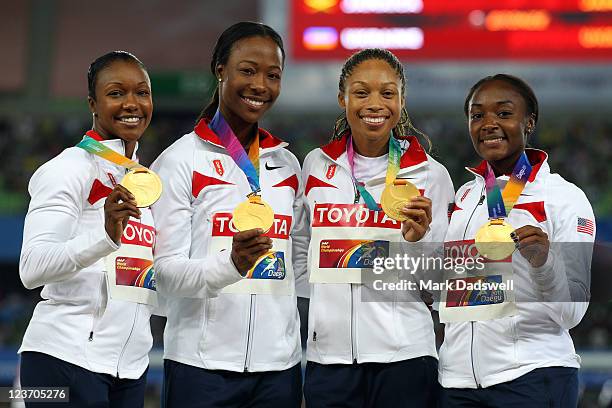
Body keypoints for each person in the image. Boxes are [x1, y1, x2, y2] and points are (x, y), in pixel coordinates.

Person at [150, 22, 307, 408]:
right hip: (200, 368)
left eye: (273, 75)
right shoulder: (179, 161)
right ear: (220, 70)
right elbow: (164, 273)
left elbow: (300, 264)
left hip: (279, 370)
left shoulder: (288, 166)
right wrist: (231, 266)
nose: (260, 85)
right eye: (248, 70)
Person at [301, 48, 455, 407]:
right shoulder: (314, 166)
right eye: (361, 92)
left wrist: (418, 244)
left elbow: (444, 283)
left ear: (401, 101)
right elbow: (300, 253)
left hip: (406, 357)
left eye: (387, 93)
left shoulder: (431, 174)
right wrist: (317, 325)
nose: (375, 103)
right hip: (330, 360)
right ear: (342, 98)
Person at [438, 74, 595, 407]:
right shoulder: (465, 196)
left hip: (531, 377)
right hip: (457, 383)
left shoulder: (564, 198)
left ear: (529, 122)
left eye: (504, 113)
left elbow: (573, 313)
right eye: (477, 115)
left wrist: (544, 262)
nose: (489, 123)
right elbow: (449, 288)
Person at [19, 51, 156, 407]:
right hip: (60, 359)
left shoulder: (142, 180)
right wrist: (106, 236)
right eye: (116, 93)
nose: (132, 103)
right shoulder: (66, 169)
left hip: (128, 367)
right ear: (93, 103)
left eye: (141, 92)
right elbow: (32, 268)